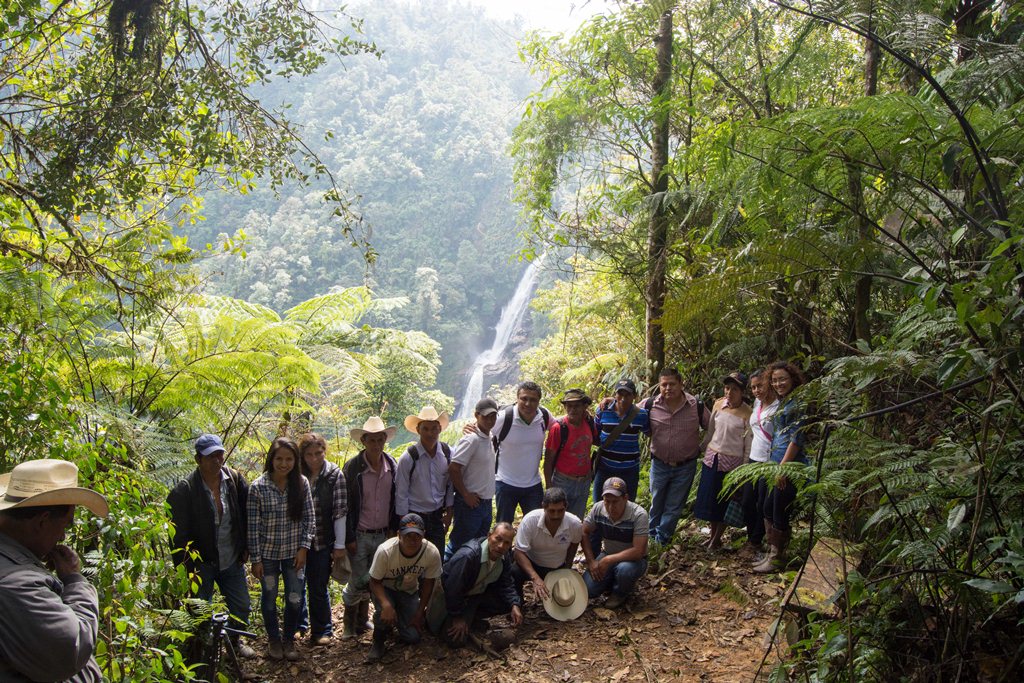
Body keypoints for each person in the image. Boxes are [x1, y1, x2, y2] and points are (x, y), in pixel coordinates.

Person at [0, 458, 108, 681]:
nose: (62, 537)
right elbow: (71, 648)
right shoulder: (16, 583)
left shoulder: (13, 563)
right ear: (42, 521)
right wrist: (75, 582)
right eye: (64, 525)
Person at [167, 434, 256, 658]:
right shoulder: (184, 491)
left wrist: (246, 546)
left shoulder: (234, 481)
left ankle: (234, 643)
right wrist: (186, 568)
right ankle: (203, 653)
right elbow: (178, 536)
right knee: (199, 612)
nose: (217, 460)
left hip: (231, 558)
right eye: (210, 456)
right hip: (201, 564)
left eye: (220, 454)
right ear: (198, 460)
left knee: (241, 606)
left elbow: (247, 515)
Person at [247, 437, 315, 661]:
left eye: (289, 459)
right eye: (279, 459)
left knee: (295, 598)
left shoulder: (301, 483)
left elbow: (309, 519)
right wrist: (255, 560)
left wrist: (304, 548)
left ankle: (288, 639)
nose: (284, 464)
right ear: (271, 459)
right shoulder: (258, 487)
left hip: (293, 555)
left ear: (295, 460)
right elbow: (253, 526)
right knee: (269, 598)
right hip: (267, 557)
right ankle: (273, 641)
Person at [341, 416, 399, 640]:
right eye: (371, 440)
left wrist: (393, 529)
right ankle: (349, 624)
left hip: (383, 533)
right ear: (364, 441)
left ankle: (364, 620)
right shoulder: (353, 467)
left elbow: (396, 500)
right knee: (357, 579)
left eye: (379, 440)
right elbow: (345, 505)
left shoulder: (391, 466)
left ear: (385, 440)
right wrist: (348, 536)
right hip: (360, 533)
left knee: (377, 579)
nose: (376, 445)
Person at [428, 522, 522, 646]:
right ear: (489, 536)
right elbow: (452, 589)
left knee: (507, 603)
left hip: (474, 595)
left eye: (506, 543)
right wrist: (457, 617)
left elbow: (506, 583)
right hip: (450, 599)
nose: (501, 546)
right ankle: (461, 619)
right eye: (498, 539)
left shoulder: (504, 557)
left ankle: (471, 619)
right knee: (454, 639)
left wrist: (514, 604)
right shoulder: (469, 556)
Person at [644, 367, 709, 546]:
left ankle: (662, 541)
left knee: (674, 506)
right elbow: (627, 412)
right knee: (656, 503)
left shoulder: (696, 405)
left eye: (672, 384)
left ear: (681, 384)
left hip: (685, 466)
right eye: (664, 384)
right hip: (659, 464)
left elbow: (712, 427)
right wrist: (611, 400)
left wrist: (702, 447)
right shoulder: (650, 404)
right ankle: (650, 539)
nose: (668, 388)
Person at [366, 513, 442, 663]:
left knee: (412, 637)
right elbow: (374, 581)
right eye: (408, 536)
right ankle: (379, 641)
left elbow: (429, 583)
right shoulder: (385, 551)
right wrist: (386, 603)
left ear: (424, 535)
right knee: (384, 612)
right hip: (385, 589)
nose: (413, 541)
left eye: (417, 536)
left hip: (409, 591)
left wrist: (420, 612)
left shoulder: (431, 552)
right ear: (398, 535)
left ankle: (399, 619)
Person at [754, 361, 808, 573]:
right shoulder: (783, 402)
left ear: (792, 379)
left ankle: (777, 557)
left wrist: (783, 468)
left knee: (778, 509)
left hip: (789, 465)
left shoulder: (797, 404)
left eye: (782, 379)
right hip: (776, 462)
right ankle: (772, 552)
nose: (778, 383)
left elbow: (797, 439)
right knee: (769, 507)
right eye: (774, 380)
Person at [297, 433, 347, 645]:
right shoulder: (295, 473)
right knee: (296, 585)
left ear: (324, 452)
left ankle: (322, 630)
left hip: (322, 539)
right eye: (309, 454)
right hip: (296, 541)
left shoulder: (334, 474)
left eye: (318, 453)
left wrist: (339, 545)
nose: (314, 458)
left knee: (318, 585)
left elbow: (340, 511)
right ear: (303, 455)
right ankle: (299, 625)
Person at [693, 372, 753, 550]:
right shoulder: (718, 404)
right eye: (727, 388)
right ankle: (713, 537)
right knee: (711, 500)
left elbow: (747, 445)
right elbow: (710, 433)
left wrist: (743, 471)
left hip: (732, 464)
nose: (729, 392)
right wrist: (699, 449)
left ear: (742, 392)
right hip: (712, 459)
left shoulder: (748, 414)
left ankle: (717, 537)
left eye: (735, 389)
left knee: (725, 502)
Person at [581, 477, 649, 609]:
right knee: (588, 590)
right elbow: (584, 532)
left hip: (634, 561)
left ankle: (620, 593)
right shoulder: (598, 509)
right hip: (608, 553)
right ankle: (610, 580)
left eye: (615, 501)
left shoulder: (639, 515)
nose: (611, 507)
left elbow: (638, 551)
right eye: (607, 501)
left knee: (625, 570)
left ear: (625, 498)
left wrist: (608, 560)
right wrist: (590, 560)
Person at [489, 381, 551, 523]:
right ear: (517, 399)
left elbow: (562, 426)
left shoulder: (544, 416)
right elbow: (483, 429)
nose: (528, 404)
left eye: (533, 399)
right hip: (505, 483)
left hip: (533, 485)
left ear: (539, 401)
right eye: (524, 398)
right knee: (503, 527)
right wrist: (471, 427)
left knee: (536, 526)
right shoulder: (504, 417)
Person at [446, 397, 498, 561]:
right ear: (477, 415)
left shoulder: (489, 437)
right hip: (470, 504)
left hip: (485, 502)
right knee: (459, 545)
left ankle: (465, 580)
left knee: (477, 546)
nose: (490, 420)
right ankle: (444, 579)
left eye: (493, 416)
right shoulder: (471, 439)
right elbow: (454, 468)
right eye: (486, 416)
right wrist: (466, 494)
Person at [397, 406, 454, 554]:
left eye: (434, 428)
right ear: (418, 430)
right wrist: (404, 524)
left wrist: (449, 513)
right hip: (414, 516)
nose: (430, 433)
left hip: (437, 516)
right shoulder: (409, 457)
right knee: (412, 558)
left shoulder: (448, 454)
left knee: (436, 558)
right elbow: (401, 493)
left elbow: (450, 484)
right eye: (426, 429)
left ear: (440, 429)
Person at [511, 487, 582, 601]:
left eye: (560, 511)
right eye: (551, 511)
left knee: (561, 598)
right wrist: (535, 578)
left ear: (566, 507)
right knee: (514, 572)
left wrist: (567, 569)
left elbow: (574, 545)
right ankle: (517, 604)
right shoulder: (530, 520)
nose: (556, 516)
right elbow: (519, 553)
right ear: (543, 507)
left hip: (557, 567)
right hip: (532, 564)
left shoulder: (574, 524)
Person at [543, 389, 599, 519]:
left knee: (576, 521)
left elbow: (597, 441)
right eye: (569, 406)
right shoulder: (559, 428)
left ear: (584, 406)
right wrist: (549, 488)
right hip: (563, 481)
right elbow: (548, 460)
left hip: (583, 481)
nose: (573, 410)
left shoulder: (589, 423)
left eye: (577, 406)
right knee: (557, 519)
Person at [741, 369, 779, 554]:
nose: (756, 390)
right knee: (747, 501)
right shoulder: (757, 403)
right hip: (753, 459)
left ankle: (756, 541)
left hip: (769, 462)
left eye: (760, 386)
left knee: (763, 504)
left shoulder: (778, 407)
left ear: (769, 383)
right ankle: (752, 538)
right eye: (754, 387)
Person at [593, 379, 650, 502]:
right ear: (615, 394)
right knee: (599, 503)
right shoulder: (603, 411)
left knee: (627, 505)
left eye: (628, 394)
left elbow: (650, 432)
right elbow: (594, 434)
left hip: (629, 468)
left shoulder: (641, 415)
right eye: (620, 394)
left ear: (634, 396)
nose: (623, 398)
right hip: (605, 466)